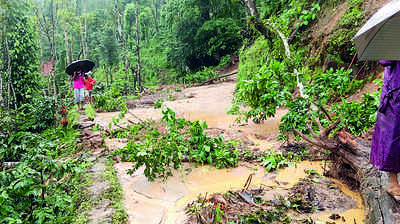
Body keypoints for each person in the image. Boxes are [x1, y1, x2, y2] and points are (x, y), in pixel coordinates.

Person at [371, 60, 400, 202]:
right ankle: (393, 183)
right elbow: (385, 59)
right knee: (393, 136)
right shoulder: (393, 40)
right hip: (396, 90)